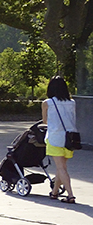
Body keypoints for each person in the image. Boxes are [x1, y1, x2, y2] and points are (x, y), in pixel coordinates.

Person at [43, 75, 78, 204]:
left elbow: (45, 121)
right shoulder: (72, 102)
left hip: (54, 138)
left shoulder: (47, 103)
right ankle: (54, 192)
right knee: (61, 167)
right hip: (70, 139)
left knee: (61, 168)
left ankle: (70, 195)